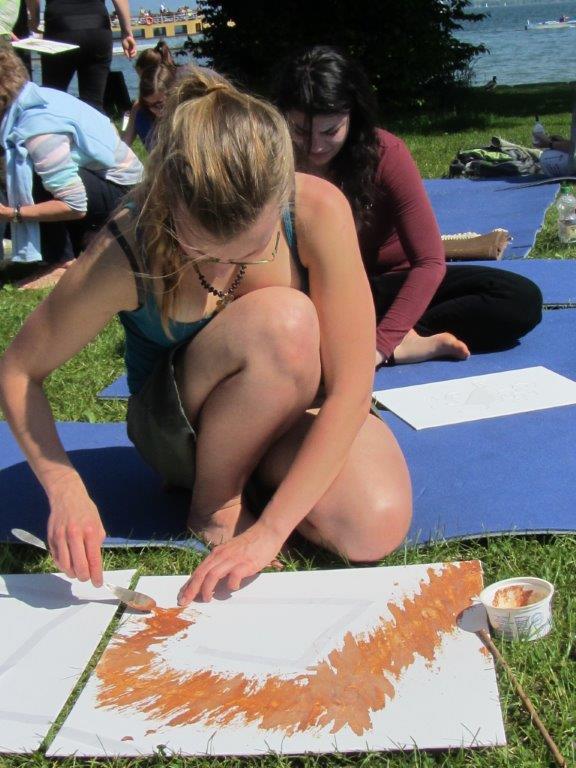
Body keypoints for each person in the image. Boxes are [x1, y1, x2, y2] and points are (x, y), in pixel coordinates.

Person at [0, 67, 412, 605]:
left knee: (371, 528)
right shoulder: (127, 248)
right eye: (202, 252)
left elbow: (352, 390)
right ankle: (216, 502)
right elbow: (19, 371)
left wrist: (271, 532)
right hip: (181, 431)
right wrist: (64, 487)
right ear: (169, 207)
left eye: (253, 251)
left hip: (292, 407)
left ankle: (261, 476)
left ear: (281, 193)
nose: (224, 271)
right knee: (286, 319)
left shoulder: (317, 208)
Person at [274, 47, 543, 367]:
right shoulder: (271, 159)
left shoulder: (385, 154)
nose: (315, 146)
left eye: (330, 131)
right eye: (300, 131)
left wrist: (381, 346)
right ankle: (368, 338)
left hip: (383, 288)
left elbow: (429, 262)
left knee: (519, 298)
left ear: (353, 116)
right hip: (310, 293)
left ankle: (401, 338)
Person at [0, 43, 143, 284]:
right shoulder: (33, 98)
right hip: (101, 183)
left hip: (125, 195)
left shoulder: (36, 128)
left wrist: (12, 213)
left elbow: (75, 205)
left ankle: (61, 262)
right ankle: (85, 240)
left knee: (28, 172)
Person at [28, 0, 137, 114]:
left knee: (53, 100)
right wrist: (127, 33)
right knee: (93, 104)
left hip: (59, 29)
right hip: (97, 28)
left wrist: (35, 20)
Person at [122, 62, 177, 150]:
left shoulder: (186, 112)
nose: (153, 110)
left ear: (173, 93)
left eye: (159, 105)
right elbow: (124, 146)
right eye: (147, 104)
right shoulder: (139, 110)